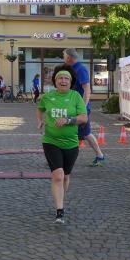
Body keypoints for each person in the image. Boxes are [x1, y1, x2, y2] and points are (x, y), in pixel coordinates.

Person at [36, 64, 87, 223]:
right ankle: (60, 211)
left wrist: (67, 120)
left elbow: (84, 118)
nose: (63, 81)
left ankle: (61, 200)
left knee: (65, 176)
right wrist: (40, 120)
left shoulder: (76, 96)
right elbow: (40, 108)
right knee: (58, 175)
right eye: (60, 78)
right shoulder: (47, 96)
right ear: (55, 81)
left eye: (66, 78)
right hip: (51, 141)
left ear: (70, 82)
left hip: (71, 143)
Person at [63, 48, 105, 166]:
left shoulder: (80, 69)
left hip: (80, 109)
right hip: (73, 107)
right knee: (75, 133)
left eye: (64, 56)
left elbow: (87, 89)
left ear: (69, 58)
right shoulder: (71, 68)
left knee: (85, 133)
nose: (63, 58)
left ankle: (100, 156)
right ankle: (64, 157)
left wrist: (83, 107)